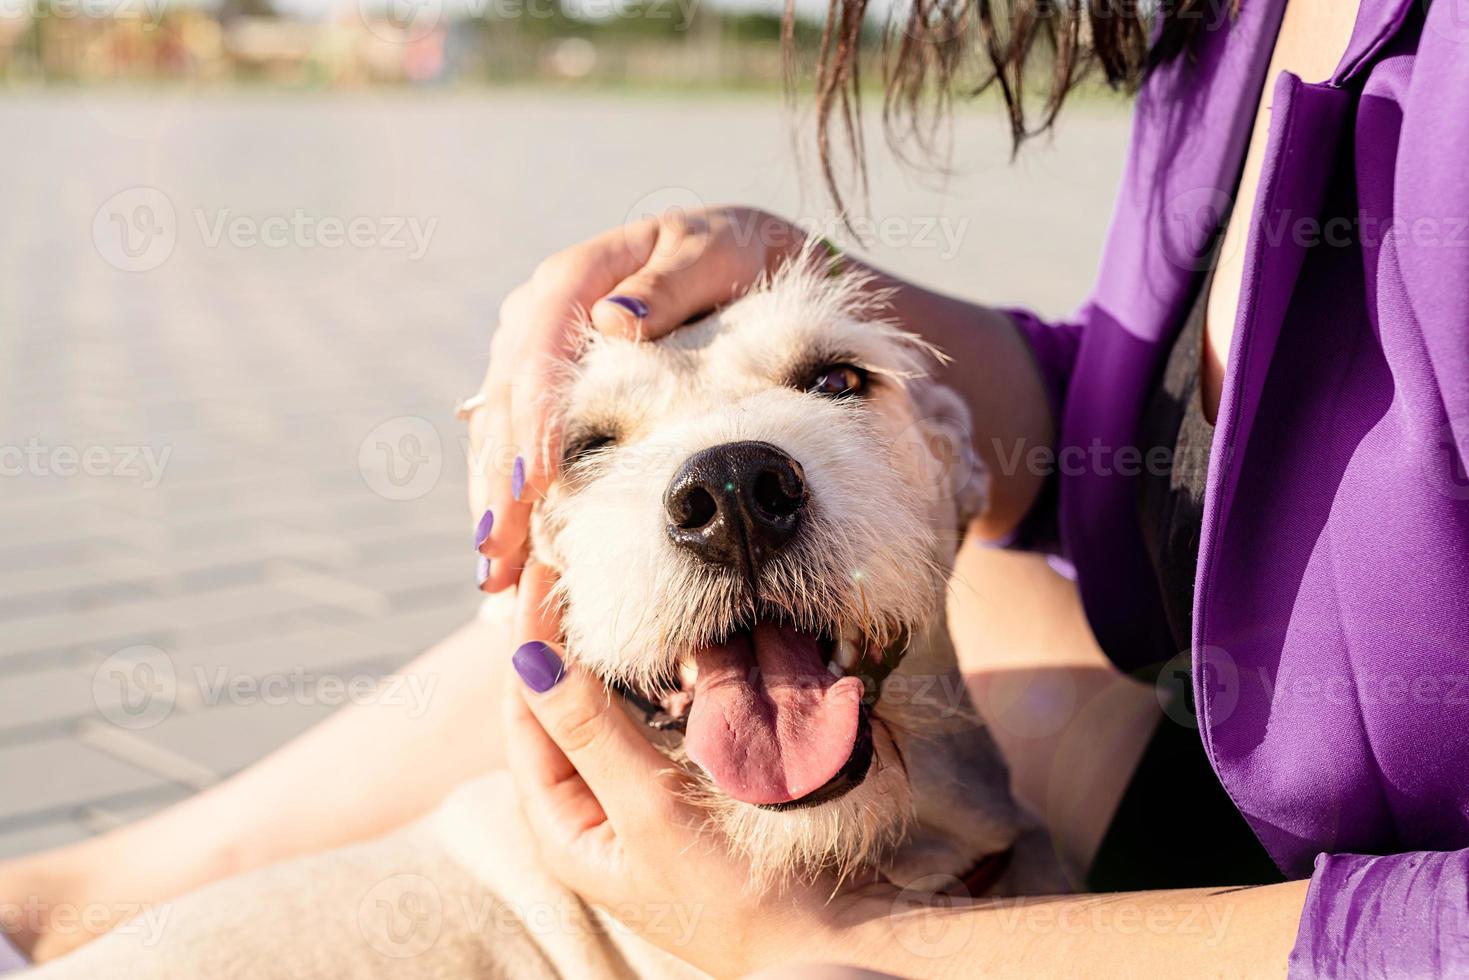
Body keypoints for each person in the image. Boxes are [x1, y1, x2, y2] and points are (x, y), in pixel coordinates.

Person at [5, 0, 1469, 972]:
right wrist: (809, 279)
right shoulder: (1225, 27)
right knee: (665, 617)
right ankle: (82, 896)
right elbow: (1208, 426)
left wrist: (844, 955)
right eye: (593, 445)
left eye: (832, 384)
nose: (724, 481)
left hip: (1366, 909)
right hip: (1245, 746)